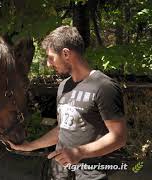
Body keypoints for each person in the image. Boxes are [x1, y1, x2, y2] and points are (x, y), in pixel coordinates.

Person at [8, 26, 127, 180]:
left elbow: (119, 138)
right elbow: (61, 129)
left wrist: (79, 153)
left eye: (51, 57)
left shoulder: (104, 86)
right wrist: (29, 146)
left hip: (91, 175)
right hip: (59, 173)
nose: (49, 64)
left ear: (66, 54)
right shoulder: (63, 86)